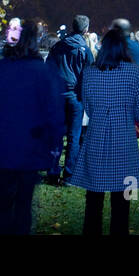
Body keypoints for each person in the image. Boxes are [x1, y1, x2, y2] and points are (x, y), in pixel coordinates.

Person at [0, 22, 63, 235]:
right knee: (23, 204)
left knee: (0, 204)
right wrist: (54, 143)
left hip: (3, 144)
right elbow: (54, 112)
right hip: (31, 145)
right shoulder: (43, 72)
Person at [70, 28, 139, 235]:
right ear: (124, 48)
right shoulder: (135, 72)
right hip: (125, 140)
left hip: (97, 136)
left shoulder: (89, 72)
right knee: (124, 200)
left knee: (94, 199)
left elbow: (88, 107)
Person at [46, 15, 92, 182]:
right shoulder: (84, 50)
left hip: (57, 95)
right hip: (75, 96)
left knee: (56, 135)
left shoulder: (58, 46)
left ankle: (52, 171)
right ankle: (69, 174)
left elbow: (48, 69)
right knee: (74, 136)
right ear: (85, 30)